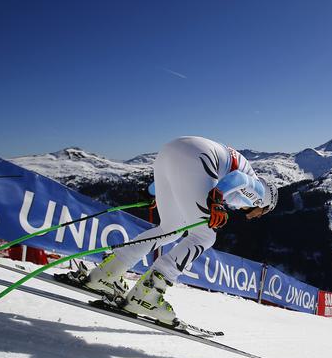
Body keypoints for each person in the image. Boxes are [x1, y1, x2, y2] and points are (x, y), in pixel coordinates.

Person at [67, 136, 278, 325]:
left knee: (170, 228)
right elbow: (239, 180)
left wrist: (152, 192)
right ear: (266, 203)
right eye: (263, 212)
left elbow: (184, 169)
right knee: (204, 235)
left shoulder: (240, 185)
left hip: (170, 152)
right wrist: (217, 199)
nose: (258, 215)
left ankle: (108, 273)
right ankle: (147, 296)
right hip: (199, 158)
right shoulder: (259, 191)